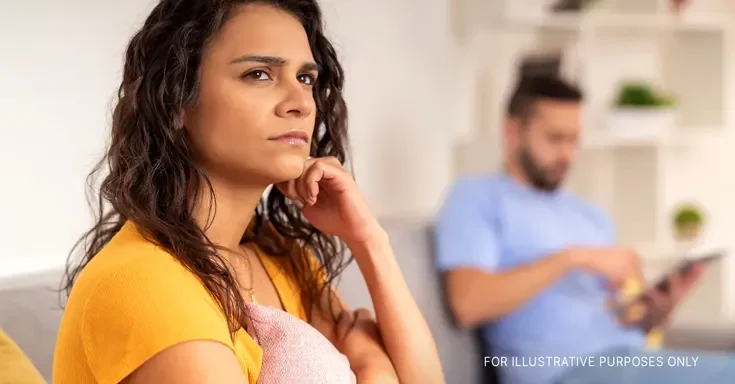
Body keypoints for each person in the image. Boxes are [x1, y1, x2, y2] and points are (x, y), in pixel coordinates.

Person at [52, 1, 444, 383]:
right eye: (259, 74)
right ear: (176, 102)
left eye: (305, 78)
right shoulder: (144, 284)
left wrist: (369, 241)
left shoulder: (280, 259)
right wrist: (374, 368)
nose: (301, 104)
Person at [434, 75, 735, 384]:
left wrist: (657, 310)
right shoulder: (476, 197)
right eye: (554, 138)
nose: (567, 154)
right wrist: (572, 258)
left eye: (574, 140)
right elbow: (468, 303)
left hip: (629, 360)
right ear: (512, 132)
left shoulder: (590, 215)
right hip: (564, 372)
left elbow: (624, 319)